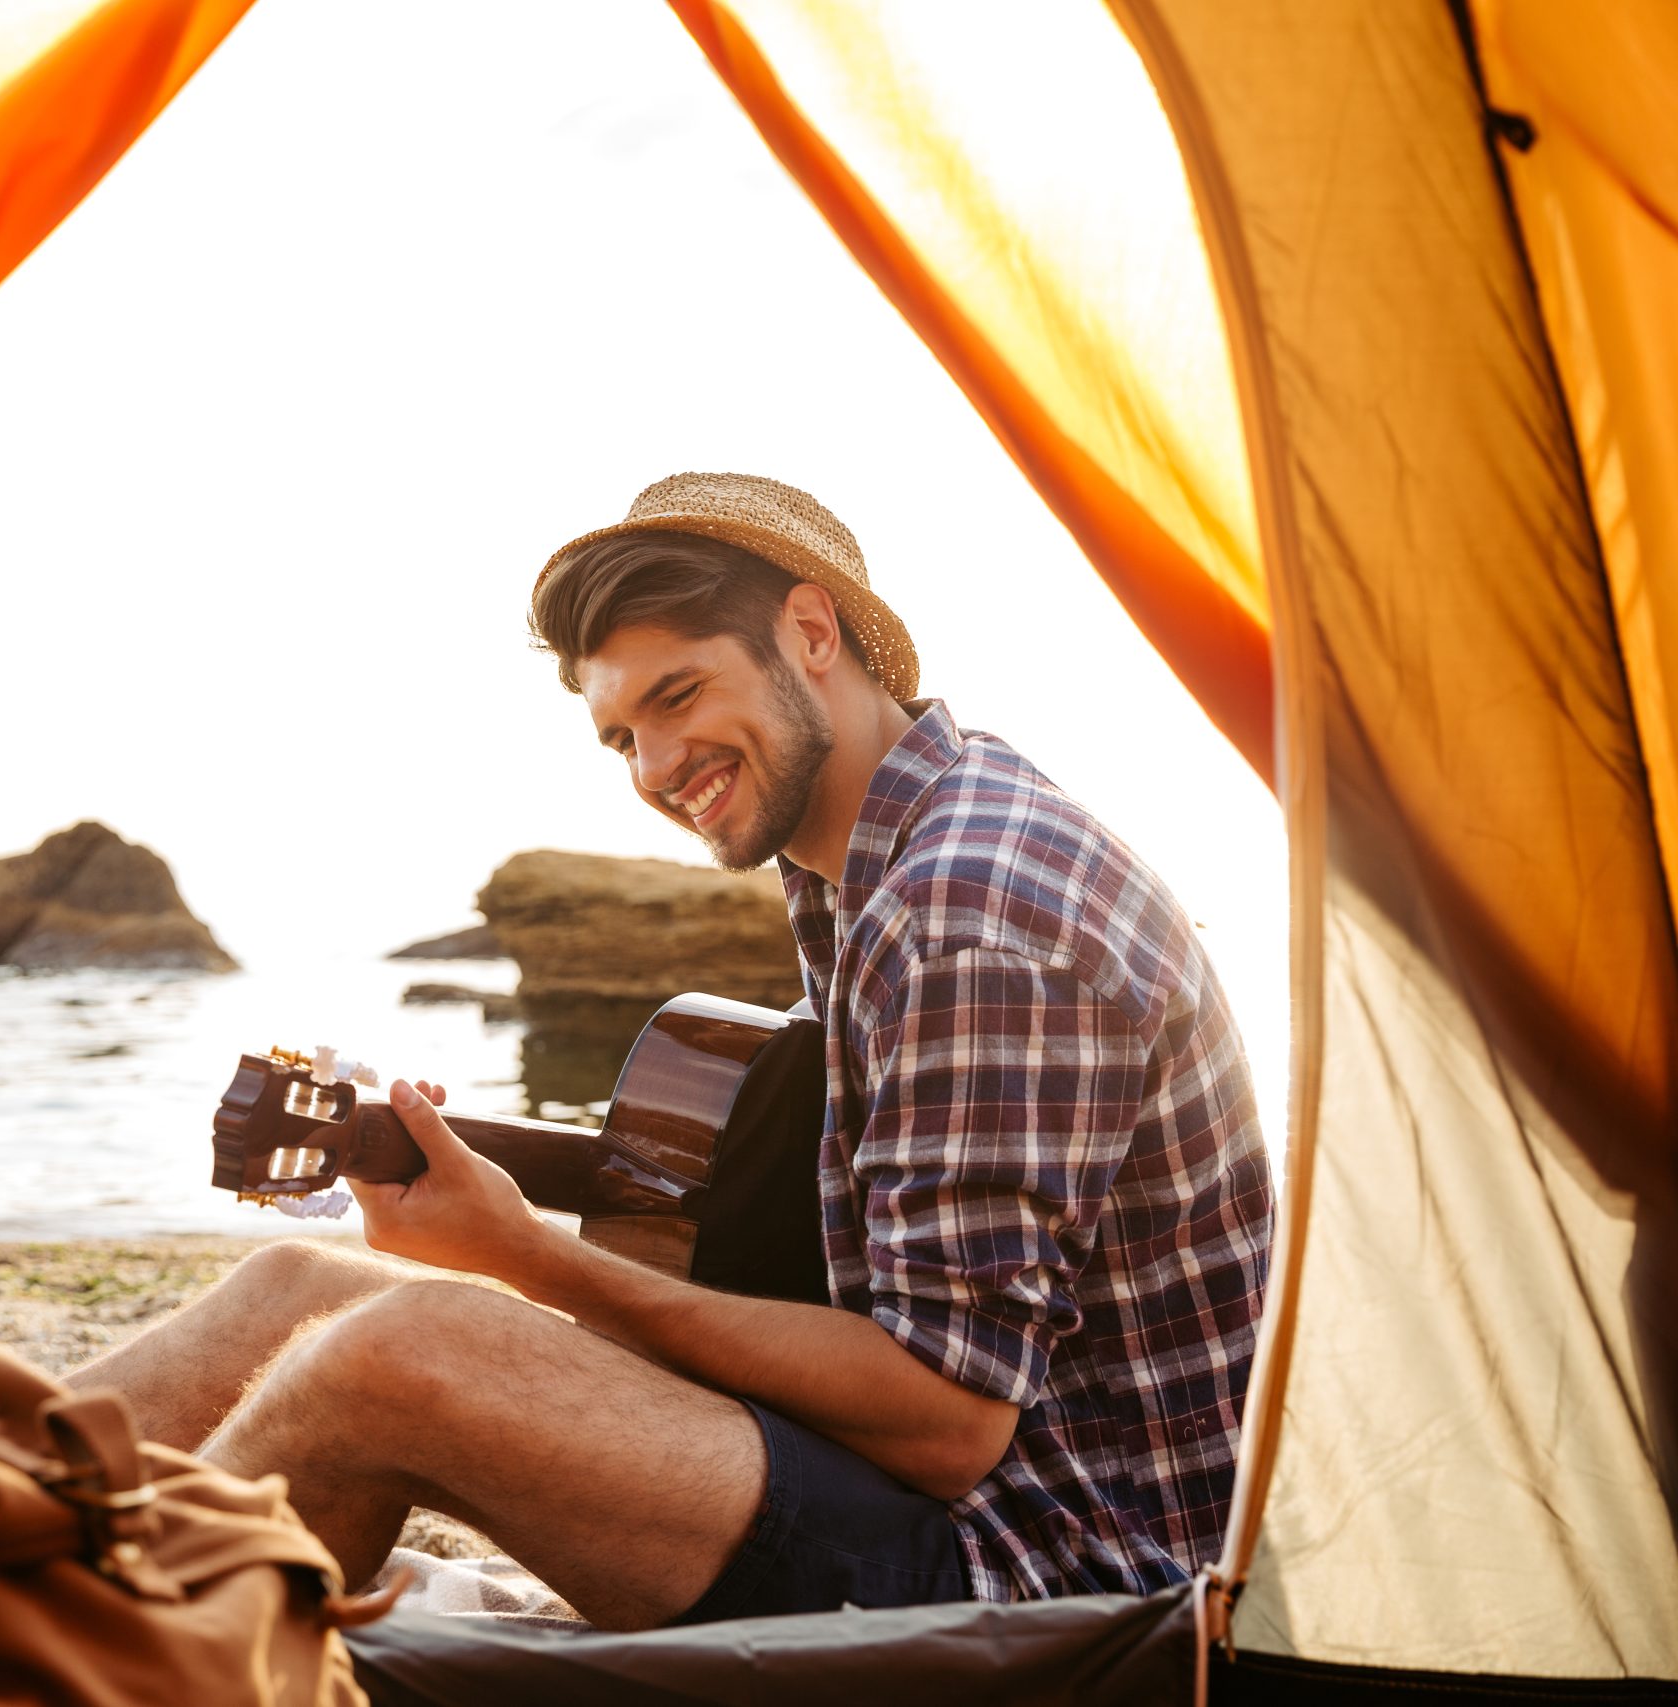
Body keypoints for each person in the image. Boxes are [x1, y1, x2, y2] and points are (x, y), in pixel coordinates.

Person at [70, 472, 1273, 1629]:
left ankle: (78, 1666)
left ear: (811, 631)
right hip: (953, 1495)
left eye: (680, 697)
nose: (652, 769)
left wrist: (522, 1257)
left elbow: (946, 1416)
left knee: (387, 1359)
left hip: (1060, 1565)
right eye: (618, 736)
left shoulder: (970, 913)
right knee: (290, 1294)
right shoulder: (878, 854)